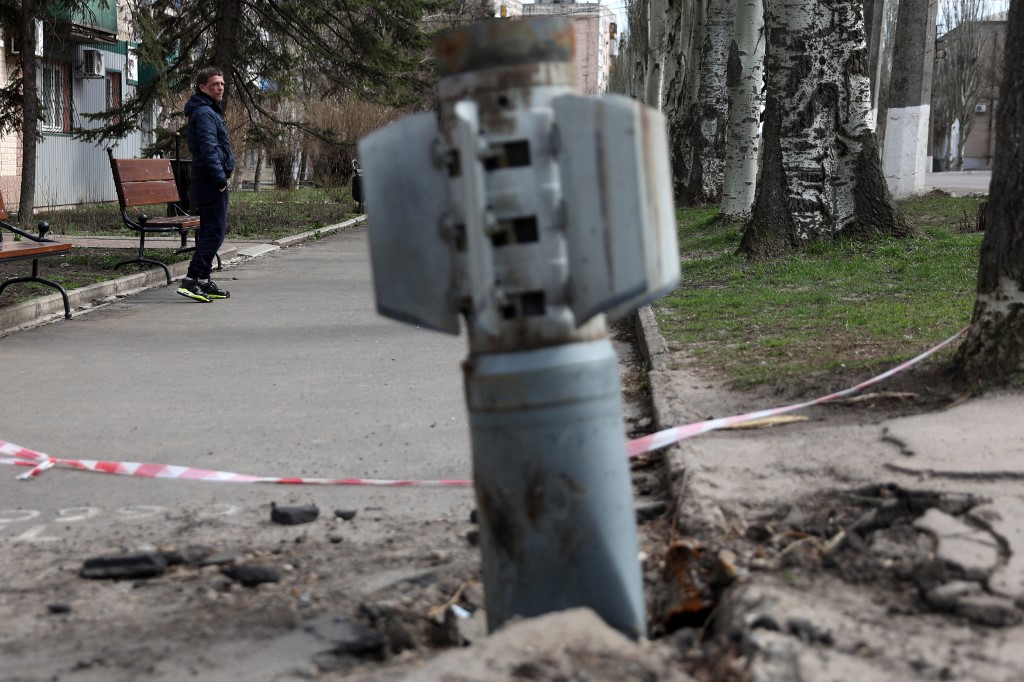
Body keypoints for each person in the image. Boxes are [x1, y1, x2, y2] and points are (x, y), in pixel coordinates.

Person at [177, 66, 235, 302]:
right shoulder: (203, 113)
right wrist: (220, 179)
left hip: (210, 179)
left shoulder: (209, 111)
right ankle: (191, 280)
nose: (220, 87)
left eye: (221, 83)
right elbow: (209, 148)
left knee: (212, 231)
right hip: (211, 180)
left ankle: (202, 280)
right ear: (202, 87)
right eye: (215, 84)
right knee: (214, 232)